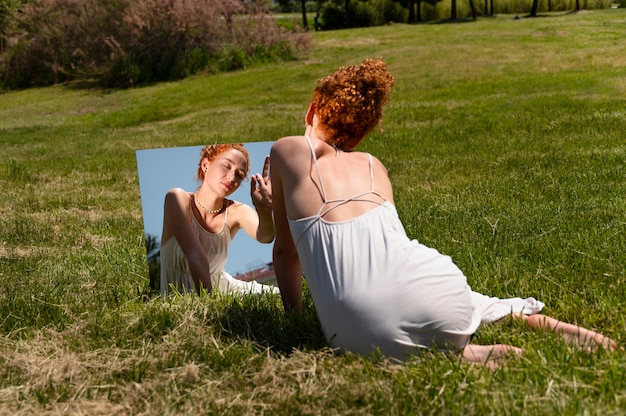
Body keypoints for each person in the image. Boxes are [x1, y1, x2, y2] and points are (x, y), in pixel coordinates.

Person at [269, 59, 617, 365]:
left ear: (312, 109)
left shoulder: (289, 149)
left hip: (357, 331)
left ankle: (463, 355)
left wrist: (296, 320)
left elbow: (287, 252)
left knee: (391, 329)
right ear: (360, 137)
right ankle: (526, 322)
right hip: (439, 287)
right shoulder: (374, 166)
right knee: (462, 300)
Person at [160, 143, 279, 296]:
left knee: (278, 296)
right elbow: (196, 256)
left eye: (239, 174)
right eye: (226, 166)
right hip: (194, 296)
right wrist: (210, 308)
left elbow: (266, 236)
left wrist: (264, 210)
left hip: (224, 290)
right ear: (205, 165)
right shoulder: (177, 198)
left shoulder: (237, 211)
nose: (231, 177)